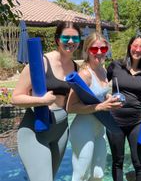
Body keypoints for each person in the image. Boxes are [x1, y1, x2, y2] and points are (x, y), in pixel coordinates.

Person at [11, 21, 81, 181]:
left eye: (75, 39)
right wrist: (40, 100)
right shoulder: (40, 63)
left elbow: (73, 102)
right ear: (58, 39)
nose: (71, 42)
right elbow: (16, 97)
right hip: (36, 130)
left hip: (61, 131)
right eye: (66, 37)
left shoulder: (75, 68)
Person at [66, 32, 122, 181]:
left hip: (99, 128)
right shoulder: (85, 74)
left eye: (103, 49)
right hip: (83, 127)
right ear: (87, 50)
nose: (99, 52)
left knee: (98, 174)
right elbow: (70, 107)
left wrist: (109, 99)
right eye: (94, 49)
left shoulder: (103, 70)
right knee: (81, 174)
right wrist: (99, 107)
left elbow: (99, 96)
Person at [106, 33, 141, 181]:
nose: (137, 49)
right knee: (118, 161)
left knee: (138, 162)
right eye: (135, 46)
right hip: (114, 122)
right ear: (130, 47)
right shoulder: (115, 66)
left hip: (136, 122)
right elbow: (100, 84)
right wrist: (105, 98)